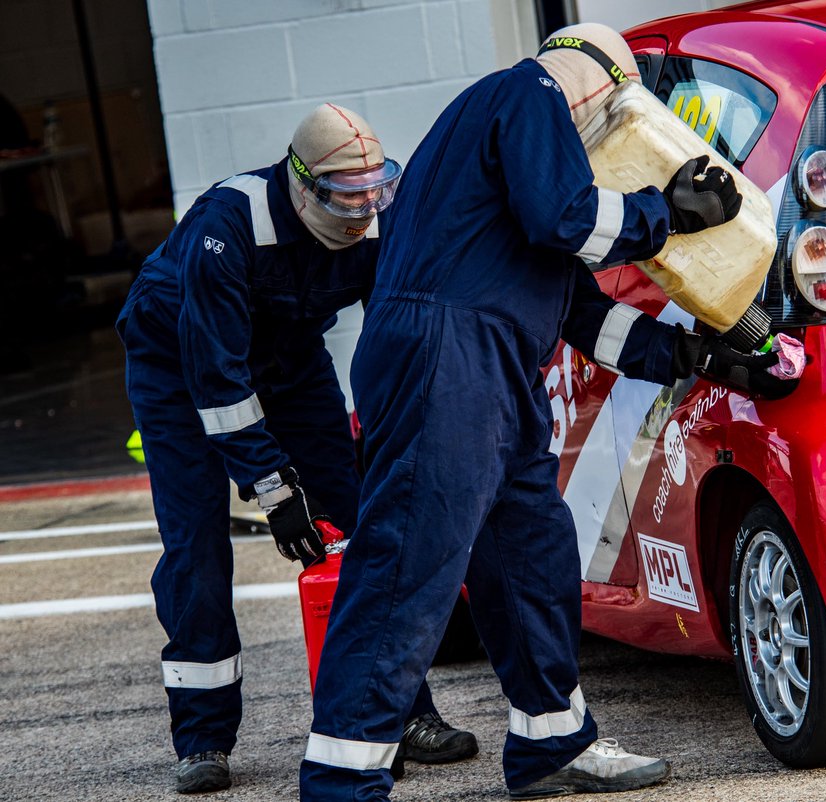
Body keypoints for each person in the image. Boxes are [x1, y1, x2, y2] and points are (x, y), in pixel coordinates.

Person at [300, 23, 797, 801]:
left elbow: (575, 307)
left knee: (531, 557)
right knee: (408, 567)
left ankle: (551, 742)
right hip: (451, 361)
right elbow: (565, 219)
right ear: (600, 83)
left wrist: (690, 356)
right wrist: (664, 213)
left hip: (481, 364)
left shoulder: (485, 146)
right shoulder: (529, 92)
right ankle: (340, 782)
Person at [116, 103, 477, 795]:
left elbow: (393, 336)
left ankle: (404, 714)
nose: (362, 212)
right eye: (346, 197)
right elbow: (217, 379)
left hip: (289, 355)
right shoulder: (227, 227)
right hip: (178, 364)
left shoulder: (376, 222)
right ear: (304, 185)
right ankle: (202, 739)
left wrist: (390, 434)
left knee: (361, 522)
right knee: (196, 547)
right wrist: (273, 491)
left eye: (376, 193)